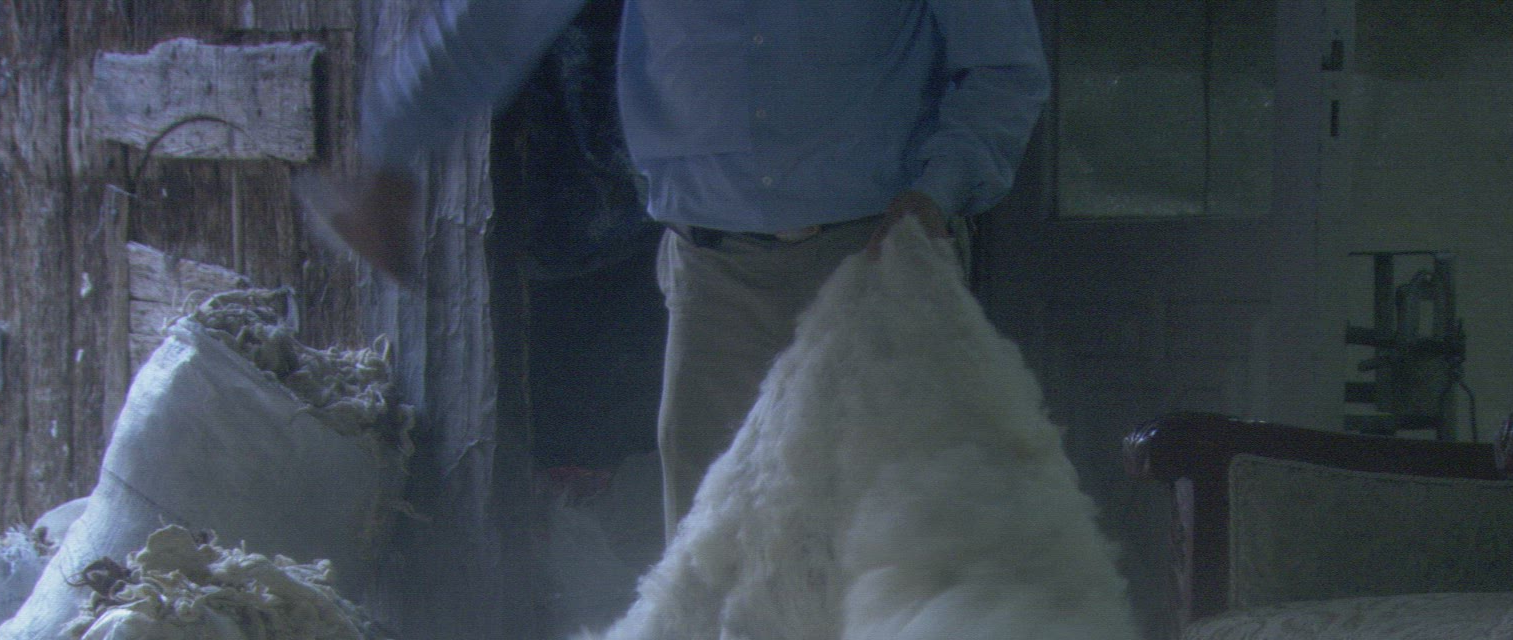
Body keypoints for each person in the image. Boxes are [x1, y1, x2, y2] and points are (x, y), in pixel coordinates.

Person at [332, 1, 1050, 536]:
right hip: (712, 281)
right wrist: (391, 146)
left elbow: (1003, 69)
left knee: (890, 562)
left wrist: (936, 193)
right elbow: (494, 19)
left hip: (879, 263)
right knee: (715, 572)